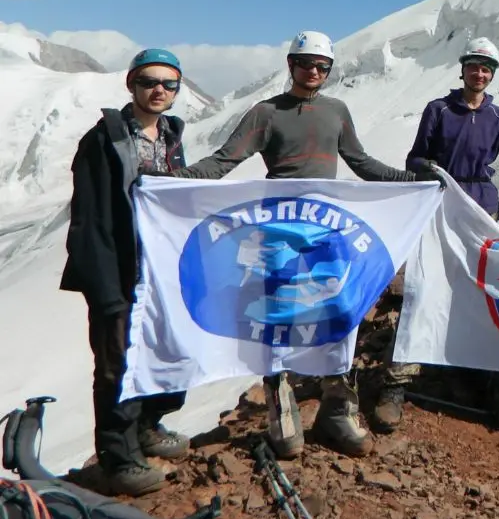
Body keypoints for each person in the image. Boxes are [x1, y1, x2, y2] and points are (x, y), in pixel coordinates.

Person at [168, 30, 418, 460]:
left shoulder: (337, 111)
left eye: (322, 66)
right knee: (276, 316)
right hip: (277, 231)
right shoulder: (265, 113)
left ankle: (337, 407)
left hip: (326, 231)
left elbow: (361, 163)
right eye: (306, 64)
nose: (314, 72)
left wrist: (415, 182)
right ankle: (280, 409)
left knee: (338, 313)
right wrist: (173, 183)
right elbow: (226, 160)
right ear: (291, 66)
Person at [371, 36, 499, 431]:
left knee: (480, 290)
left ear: (492, 74)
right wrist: (427, 168)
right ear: (462, 70)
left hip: (481, 211)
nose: (479, 73)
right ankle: (397, 381)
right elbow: (415, 157)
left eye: (486, 68)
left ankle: (478, 372)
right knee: (425, 287)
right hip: (441, 205)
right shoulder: (439, 109)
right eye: (473, 66)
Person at [61, 48, 193, 496]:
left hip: (159, 271)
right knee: (116, 363)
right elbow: (89, 215)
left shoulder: (173, 137)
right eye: (148, 81)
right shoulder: (103, 140)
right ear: (131, 85)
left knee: (160, 351)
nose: (158, 90)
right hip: (116, 268)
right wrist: (100, 282)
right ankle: (118, 459)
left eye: (168, 83)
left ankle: (147, 426)